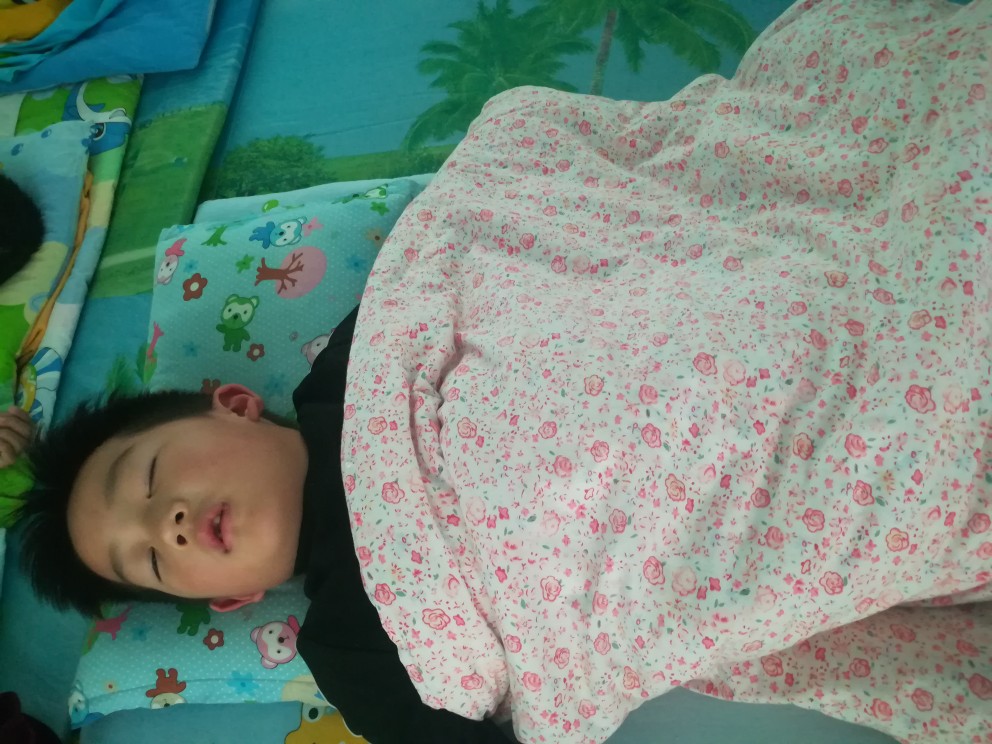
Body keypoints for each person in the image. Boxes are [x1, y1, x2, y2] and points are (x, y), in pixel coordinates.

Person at [11, 0, 992, 742]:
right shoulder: (351, 652)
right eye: (152, 557)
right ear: (227, 601)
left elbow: (488, 231)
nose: (171, 523)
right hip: (770, 518)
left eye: (150, 479)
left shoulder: (354, 370)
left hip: (754, 324)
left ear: (230, 404)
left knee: (802, 311)